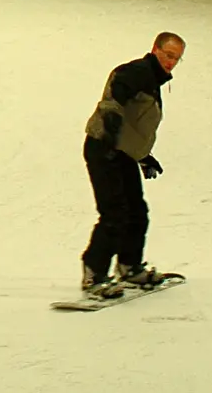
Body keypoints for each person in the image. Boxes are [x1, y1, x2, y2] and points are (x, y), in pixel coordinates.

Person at [79, 32, 185, 296]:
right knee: (114, 213)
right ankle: (94, 274)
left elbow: (135, 125)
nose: (171, 62)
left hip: (122, 151)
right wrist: (109, 124)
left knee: (137, 211)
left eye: (176, 58)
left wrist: (143, 156)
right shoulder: (137, 72)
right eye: (168, 55)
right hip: (103, 147)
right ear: (155, 49)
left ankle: (129, 266)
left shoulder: (153, 79)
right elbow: (114, 94)